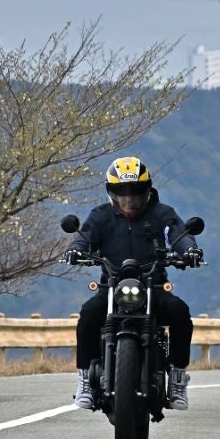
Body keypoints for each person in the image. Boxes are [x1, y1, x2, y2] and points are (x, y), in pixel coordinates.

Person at [64, 156, 201, 412]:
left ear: (147, 191)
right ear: (111, 192)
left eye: (135, 193)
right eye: (122, 193)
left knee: (180, 313)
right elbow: (84, 237)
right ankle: (84, 380)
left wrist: (190, 250)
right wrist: (75, 250)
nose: (129, 200)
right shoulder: (100, 216)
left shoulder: (163, 213)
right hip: (111, 288)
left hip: (154, 287)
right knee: (89, 314)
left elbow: (178, 234)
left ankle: (178, 378)